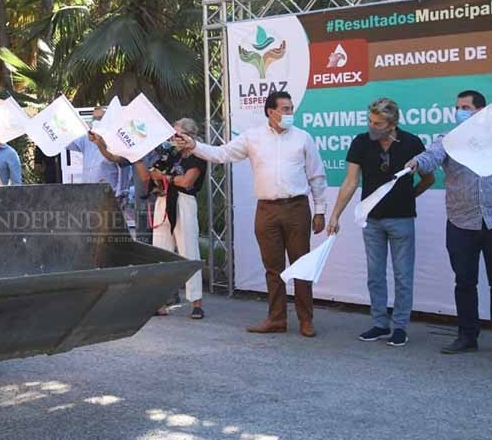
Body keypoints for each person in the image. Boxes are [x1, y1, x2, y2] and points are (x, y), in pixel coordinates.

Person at [176, 91, 326, 337]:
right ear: (271, 112)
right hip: (266, 209)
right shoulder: (252, 138)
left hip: (297, 208)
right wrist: (194, 146)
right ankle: (276, 318)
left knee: (302, 266)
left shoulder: (303, 138)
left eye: (291, 109)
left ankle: (306, 320)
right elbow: (221, 154)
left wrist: (320, 210)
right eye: (286, 109)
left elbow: (317, 176)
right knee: (272, 268)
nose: (290, 113)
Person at [326, 98, 435, 347]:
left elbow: (428, 178)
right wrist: (335, 215)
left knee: (403, 276)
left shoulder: (411, 142)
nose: (372, 126)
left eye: (378, 123)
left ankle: (400, 328)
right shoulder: (361, 142)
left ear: (392, 123)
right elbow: (350, 182)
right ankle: (379, 323)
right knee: (375, 275)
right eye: (370, 121)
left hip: (402, 220)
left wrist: (410, 196)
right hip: (371, 220)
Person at [406, 90, 491, 354]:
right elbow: (430, 157)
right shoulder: (449, 139)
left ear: (481, 111)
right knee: (464, 282)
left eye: (465, 107)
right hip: (460, 221)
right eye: (458, 107)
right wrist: (416, 164)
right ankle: (467, 336)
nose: (460, 111)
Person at [148, 118, 207, 319]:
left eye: (177, 134)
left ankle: (196, 302)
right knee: (160, 253)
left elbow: (187, 181)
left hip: (184, 202)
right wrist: (166, 178)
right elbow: (152, 173)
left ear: (188, 135)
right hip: (163, 201)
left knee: (189, 250)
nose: (173, 138)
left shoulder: (197, 155)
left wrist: (167, 178)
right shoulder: (171, 154)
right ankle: (160, 301)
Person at [66, 107, 132, 205]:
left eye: (100, 118)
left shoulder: (118, 140)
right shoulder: (86, 138)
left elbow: (124, 170)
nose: (96, 121)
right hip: (89, 192)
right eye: (94, 118)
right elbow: (68, 143)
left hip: (110, 194)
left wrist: (120, 193)